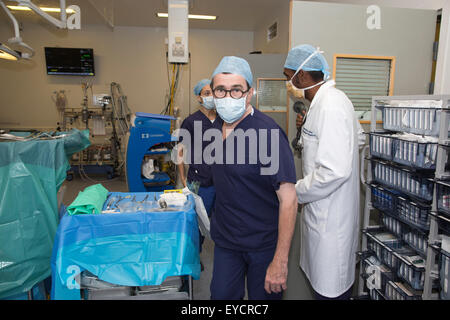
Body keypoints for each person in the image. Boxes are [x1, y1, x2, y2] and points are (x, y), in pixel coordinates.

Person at [208, 56, 298, 300]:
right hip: (227, 242)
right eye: (221, 90)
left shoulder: (267, 133)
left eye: (236, 90)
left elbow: (289, 200)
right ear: (213, 94)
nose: (228, 97)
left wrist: (280, 260)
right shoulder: (216, 129)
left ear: (249, 94)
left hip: (263, 245)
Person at [283, 44, 363, 300]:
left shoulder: (332, 105)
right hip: (320, 215)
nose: (289, 84)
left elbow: (335, 170)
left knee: (331, 291)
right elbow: (357, 140)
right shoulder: (319, 106)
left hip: (331, 223)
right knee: (320, 287)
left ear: (303, 75)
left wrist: (296, 192)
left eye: (289, 77)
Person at [177, 79, 222, 218]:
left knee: (220, 221)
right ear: (199, 97)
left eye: (214, 92)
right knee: (197, 221)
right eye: (207, 93)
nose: (211, 96)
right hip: (198, 181)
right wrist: (183, 178)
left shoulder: (224, 120)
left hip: (221, 181)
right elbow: (179, 150)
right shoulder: (190, 122)